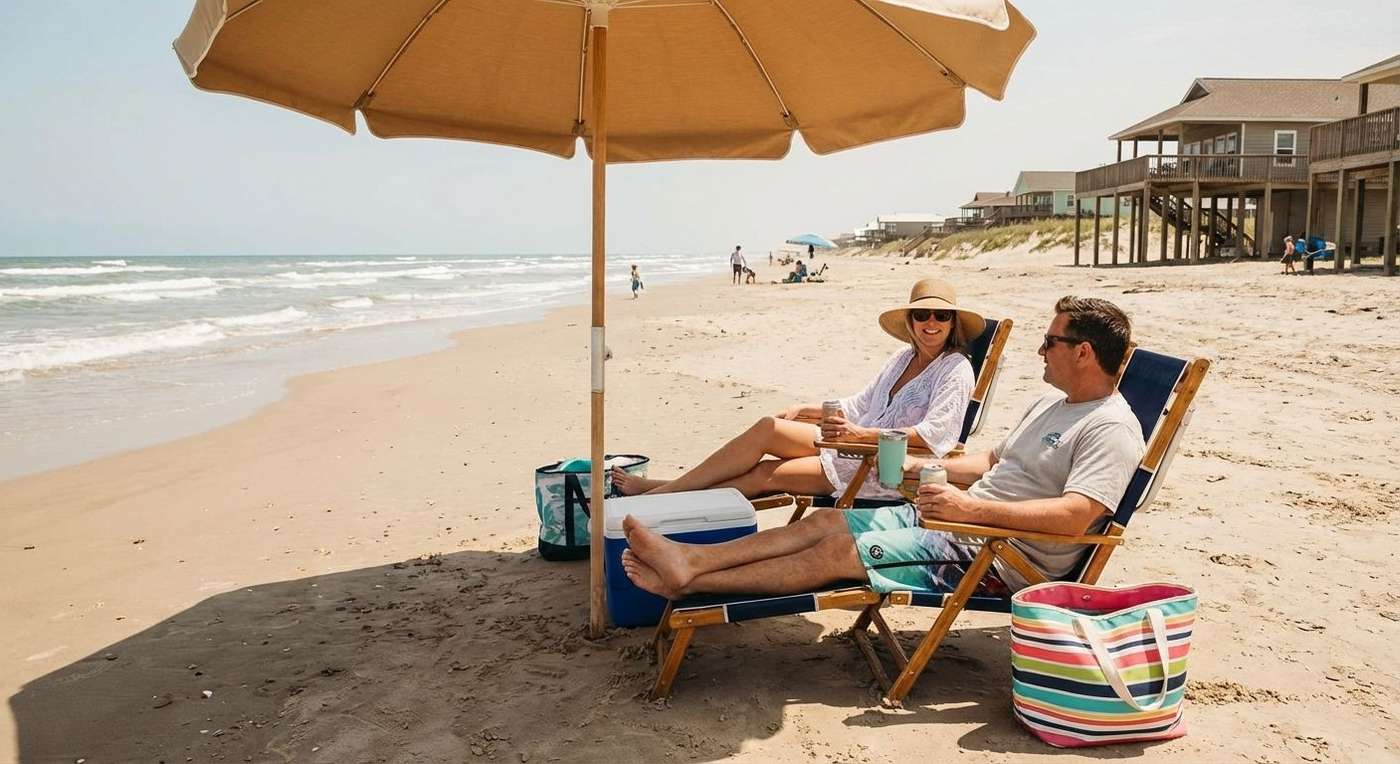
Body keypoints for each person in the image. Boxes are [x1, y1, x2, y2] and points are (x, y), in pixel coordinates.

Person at [619, 296, 1145, 601]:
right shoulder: (1050, 405)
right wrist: (924, 470)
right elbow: (989, 461)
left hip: (996, 556)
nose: (1040, 350)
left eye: (1050, 342)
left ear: (1082, 352)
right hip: (955, 523)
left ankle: (693, 585)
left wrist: (971, 510)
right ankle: (691, 559)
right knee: (824, 522)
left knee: (838, 553)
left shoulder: (1110, 427)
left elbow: (1077, 517)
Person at [613, 278, 982, 503]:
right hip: (850, 445)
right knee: (768, 427)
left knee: (764, 475)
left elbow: (935, 438)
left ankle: (664, 495)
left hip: (881, 467)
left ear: (953, 323)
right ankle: (673, 487)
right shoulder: (902, 358)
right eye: (921, 315)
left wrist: (860, 435)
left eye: (941, 316)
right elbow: (859, 404)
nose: (931, 323)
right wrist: (802, 409)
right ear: (910, 321)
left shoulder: (955, 369)